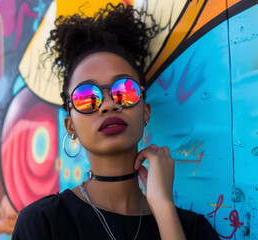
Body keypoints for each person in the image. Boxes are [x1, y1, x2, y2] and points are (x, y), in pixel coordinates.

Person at [12, 3, 219, 240]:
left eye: (125, 89)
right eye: (86, 97)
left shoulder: (192, 230)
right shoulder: (43, 223)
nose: (109, 104)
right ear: (71, 126)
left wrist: (163, 206)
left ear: (145, 112)